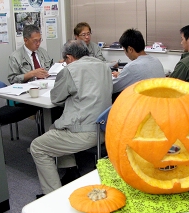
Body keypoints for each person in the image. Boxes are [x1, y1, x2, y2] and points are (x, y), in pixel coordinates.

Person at [30, 40, 112, 198]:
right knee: (55, 128)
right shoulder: (104, 66)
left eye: (65, 60)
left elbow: (55, 97)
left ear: (69, 57)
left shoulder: (71, 70)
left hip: (83, 132)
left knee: (37, 147)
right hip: (103, 128)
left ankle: (53, 196)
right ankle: (71, 170)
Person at [112, 28, 165, 102]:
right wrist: (122, 75)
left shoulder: (132, 67)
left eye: (124, 50)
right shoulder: (156, 60)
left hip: (145, 108)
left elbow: (112, 88)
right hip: (160, 103)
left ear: (130, 49)